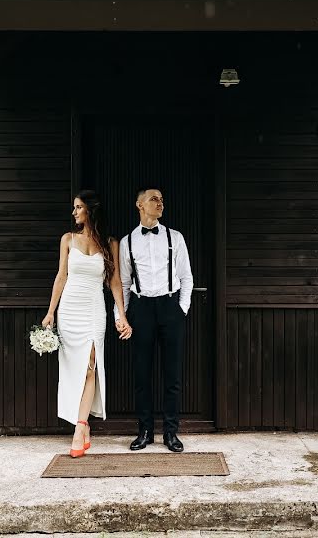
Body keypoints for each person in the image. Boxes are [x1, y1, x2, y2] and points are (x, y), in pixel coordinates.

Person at [42, 190, 132, 458]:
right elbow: (61, 276)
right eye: (74, 208)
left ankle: (80, 428)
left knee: (91, 366)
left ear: (90, 211)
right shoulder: (67, 239)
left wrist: (122, 316)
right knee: (75, 370)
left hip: (94, 309)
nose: (74, 212)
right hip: (70, 309)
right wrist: (50, 312)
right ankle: (83, 424)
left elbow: (114, 282)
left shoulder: (110, 243)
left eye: (78, 207)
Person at [119, 187, 193, 453]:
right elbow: (125, 283)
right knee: (142, 374)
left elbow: (186, 277)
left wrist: (181, 308)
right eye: (154, 199)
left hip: (169, 307)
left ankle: (171, 433)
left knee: (172, 374)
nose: (160, 203)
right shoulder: (127, 242)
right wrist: (123, 317)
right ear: (139, 204)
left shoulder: (175, 237)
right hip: (141, 310)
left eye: (162, 199)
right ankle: (145, 432)